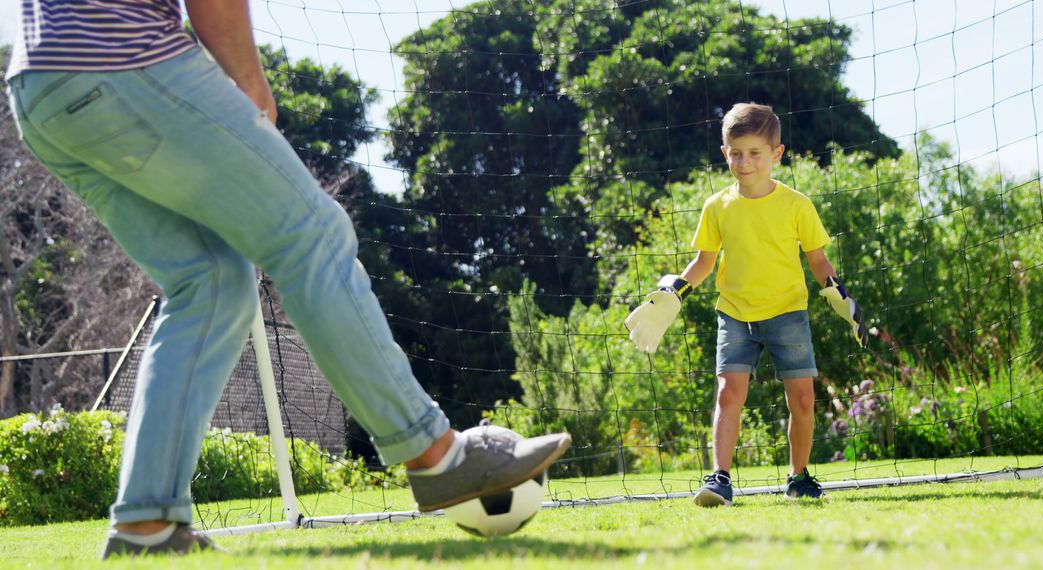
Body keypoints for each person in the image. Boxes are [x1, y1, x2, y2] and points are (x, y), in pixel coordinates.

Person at [6, 0, 571, 557]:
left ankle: (146, 523)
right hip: (121, 56)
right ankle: (437, 456)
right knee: (311, 236)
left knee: (210, 283)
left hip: (41, 87)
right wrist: (249, 85)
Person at [624, 102, 868, 507]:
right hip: (734, 313)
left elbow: (818, 260)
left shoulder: (797, 205)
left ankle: (799, 477)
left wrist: (840, 295)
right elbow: (704, 263)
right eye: (736, 153)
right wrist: (674, 291)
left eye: (755, 153)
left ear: (776, 154)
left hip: (788, 311)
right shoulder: (716, 207)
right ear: (724, 153)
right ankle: (719, 478)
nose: (744, 162)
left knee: (803, 399)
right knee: (728, 394)